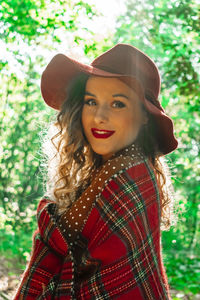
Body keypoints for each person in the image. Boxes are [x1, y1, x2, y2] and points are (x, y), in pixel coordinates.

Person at [14, 43, 178, 299]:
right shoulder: (118, 167)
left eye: (118, 104)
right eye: (91, 101)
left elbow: (63, 243)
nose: (99, 116)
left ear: (145, 115)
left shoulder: (128, 172)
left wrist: (49, 226)